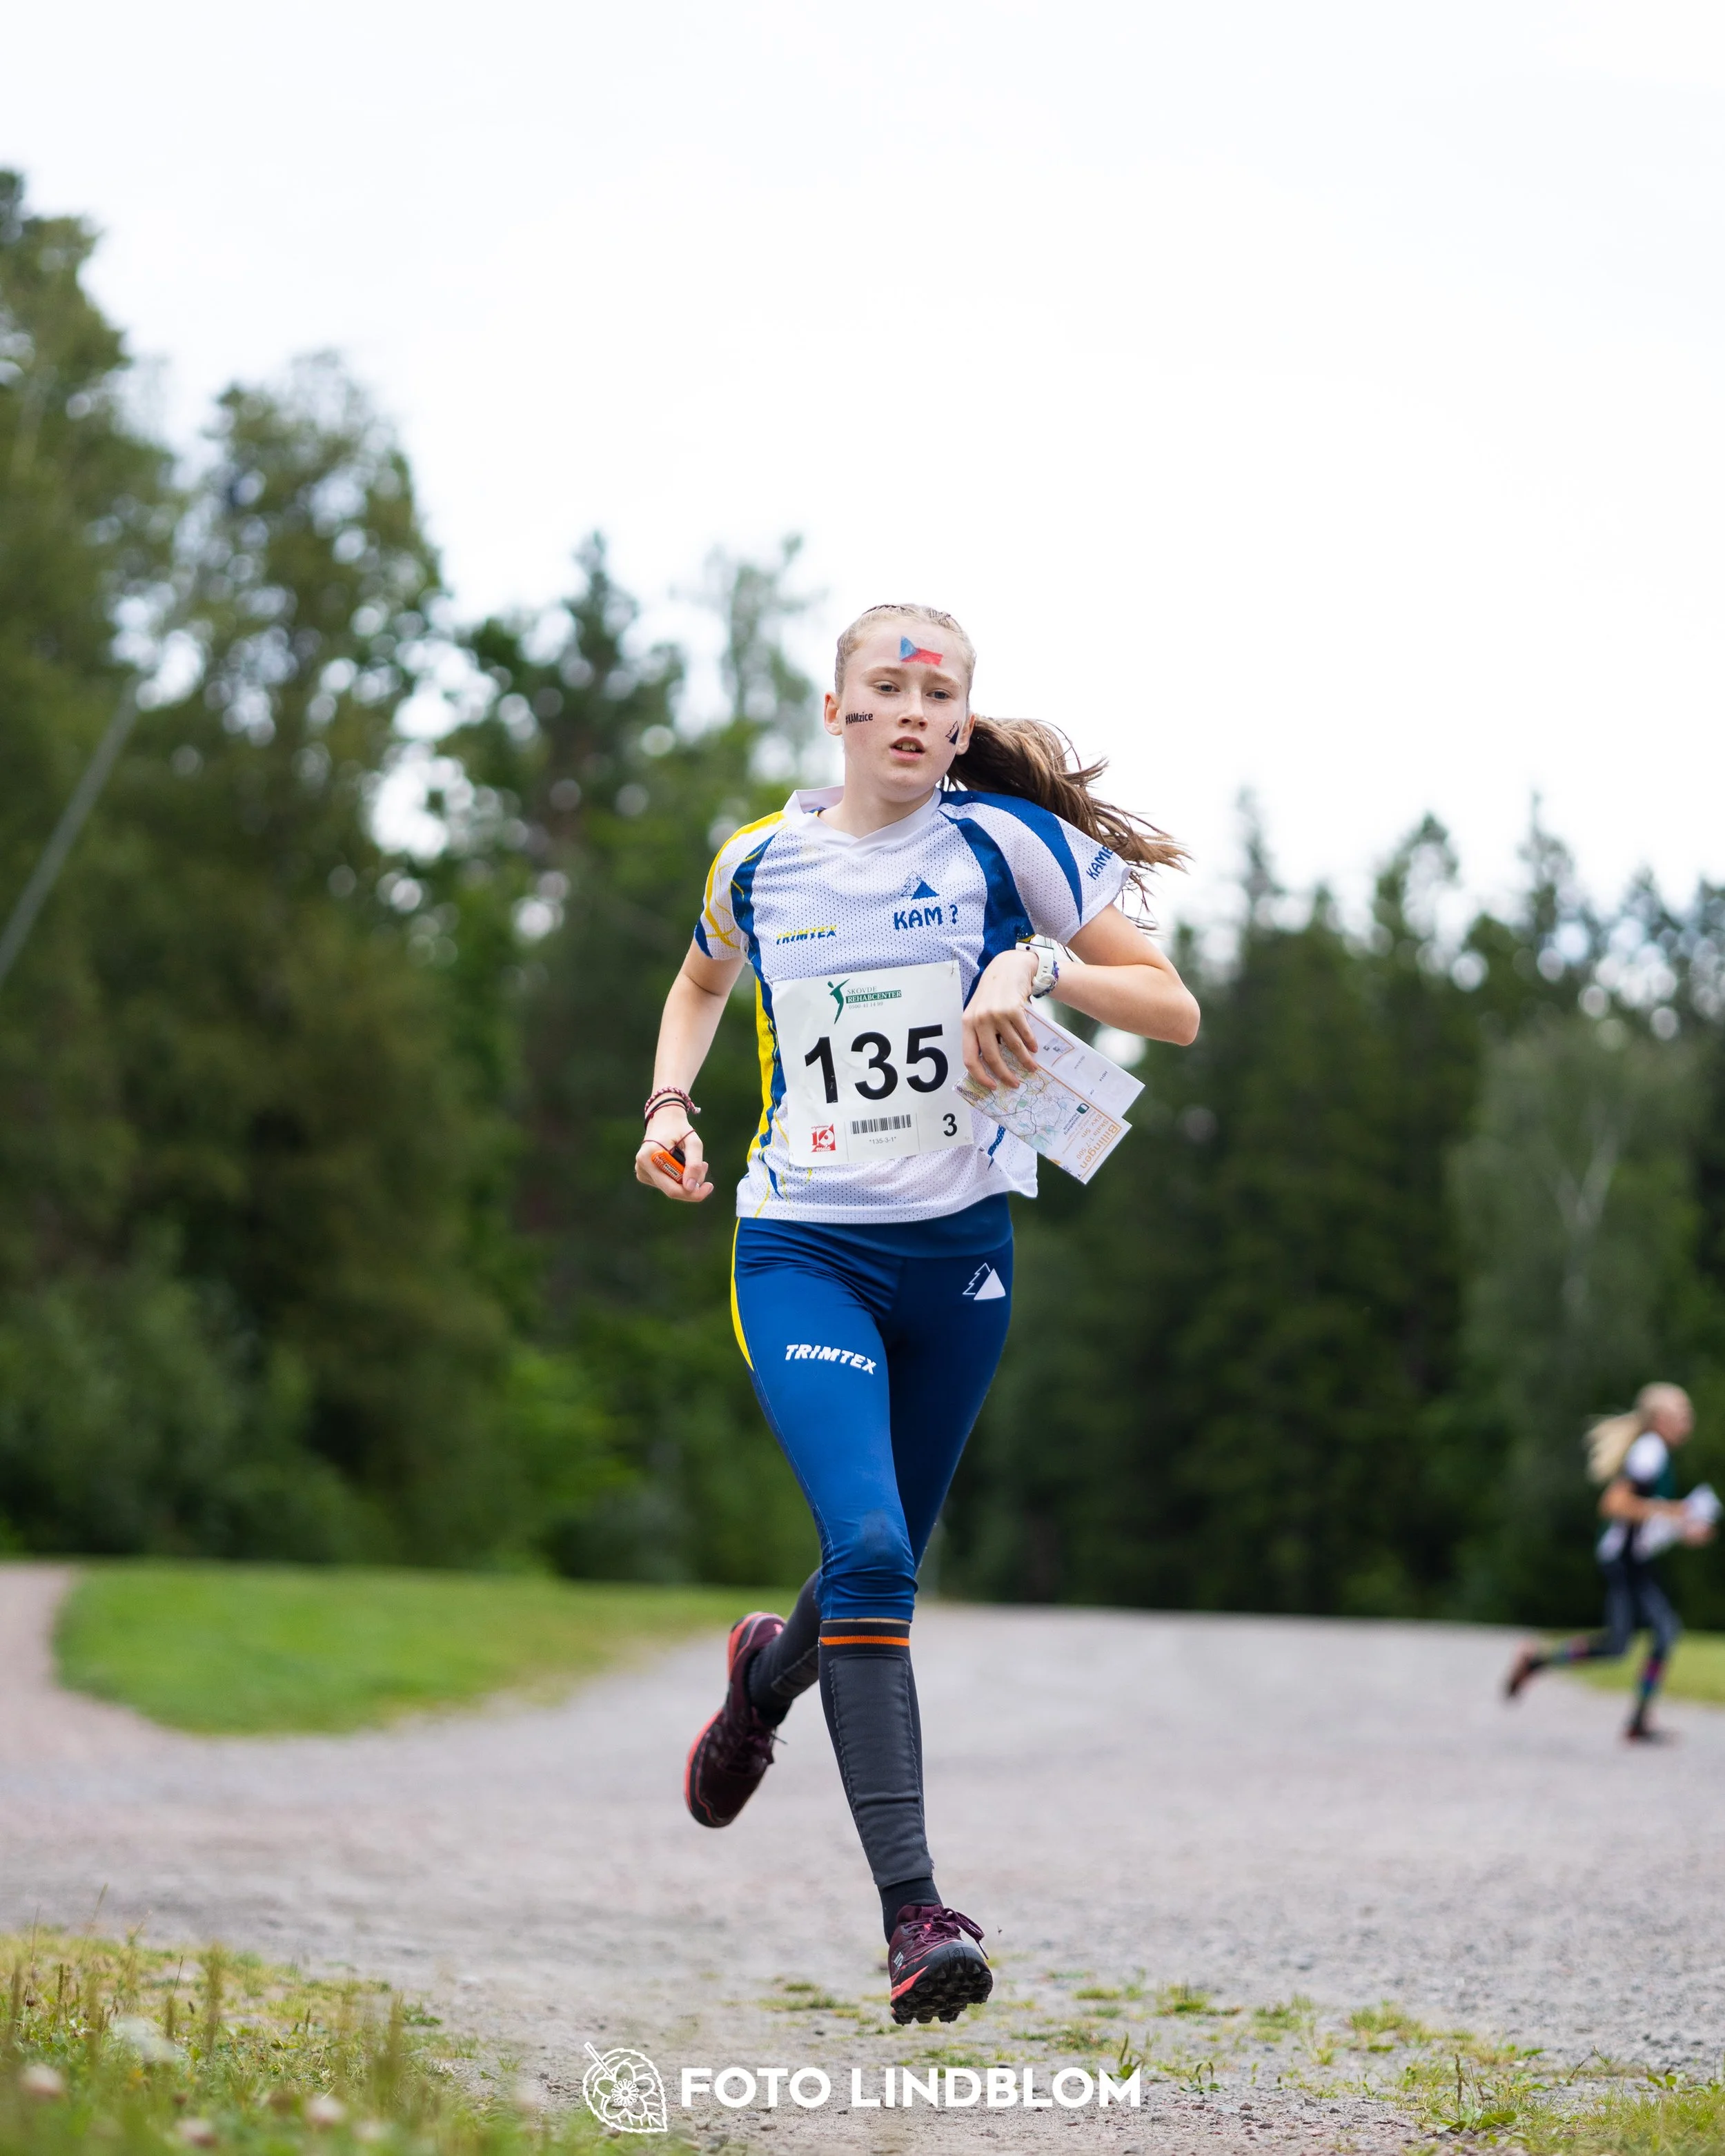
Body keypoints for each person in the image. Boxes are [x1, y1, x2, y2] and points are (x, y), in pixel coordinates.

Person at [633, 602, 1199, 2024]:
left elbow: (1171, 1004)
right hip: (802, 1249)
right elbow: (699, 981)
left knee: (872, 1565)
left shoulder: (1006, 846)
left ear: (959, 724)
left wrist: (1039, 965)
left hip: (957, 1262)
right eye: (883, 686)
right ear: (836, 710)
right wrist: (666, 1105)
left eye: (936, 695)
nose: (911, 709)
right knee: (875, 1552)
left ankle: (763, 1680)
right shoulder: (757, 861)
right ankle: (916, 1917)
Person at [1504, 1382, 1714, 1742]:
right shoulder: (1650, 1452)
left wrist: (1681, 1526)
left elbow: (1644, 1515)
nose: (1689, 1422)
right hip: (1624, 1559)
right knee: (1656, 1634)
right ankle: (1636, 1721)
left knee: (1627, 1642)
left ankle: (1539, 1662)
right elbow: (1614, 1504)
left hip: (1634, 1559)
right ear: (1660, 1419)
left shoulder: (1656, 1452)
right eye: (1682, 1414)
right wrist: (1676, 1512)